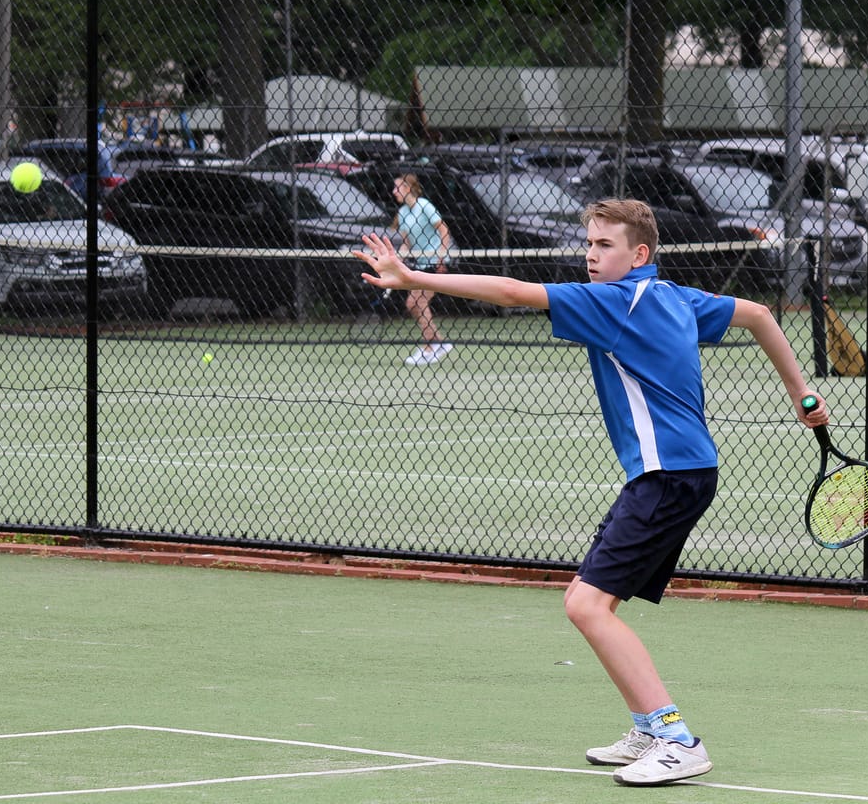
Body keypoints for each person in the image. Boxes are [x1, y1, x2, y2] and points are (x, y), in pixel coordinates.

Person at [354, 197, 830, 787]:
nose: (591, 256)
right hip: (676, 473)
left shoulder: (613, 302)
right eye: (589, 244)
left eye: (605, 246)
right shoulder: (676, 297)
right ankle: (649, 729)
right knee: (586, 596)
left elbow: (511, 292)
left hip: (668, 475)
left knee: (586, 606)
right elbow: (758, 314)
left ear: (639, 254)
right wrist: (800, 393)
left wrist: (415, 277)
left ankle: (677, 739)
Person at [392, 174, 454, 365]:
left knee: (418, 302)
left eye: (397, 188)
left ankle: (429, 347)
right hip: (420, 264)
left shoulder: (424, 205)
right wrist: (396, 261)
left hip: (435, 262)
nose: (394, 192)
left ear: (408, 188)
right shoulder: (403, 212)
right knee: (412, 304)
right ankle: (439, 342)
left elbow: (444, 230)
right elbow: (406, 244)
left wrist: (441, 257)